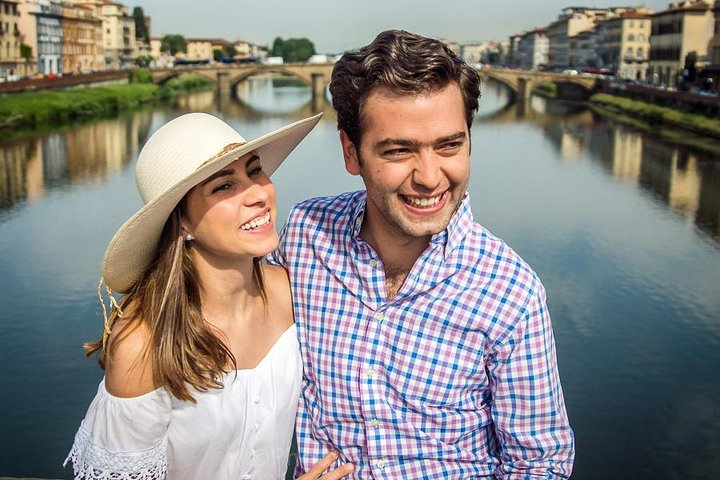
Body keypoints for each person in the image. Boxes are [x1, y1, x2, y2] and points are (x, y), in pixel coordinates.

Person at [270, 30, 575, 478]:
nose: (431, 178)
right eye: (399, 151)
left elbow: (540, 466)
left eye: (449, 146)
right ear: (351, 153)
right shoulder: (305, 238)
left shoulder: (512, 293)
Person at [64, 112, 353, 480]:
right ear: (181, 222)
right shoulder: (144, 344)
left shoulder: (291, 292)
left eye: (254, 171)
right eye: (223, 187)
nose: (257, 194)